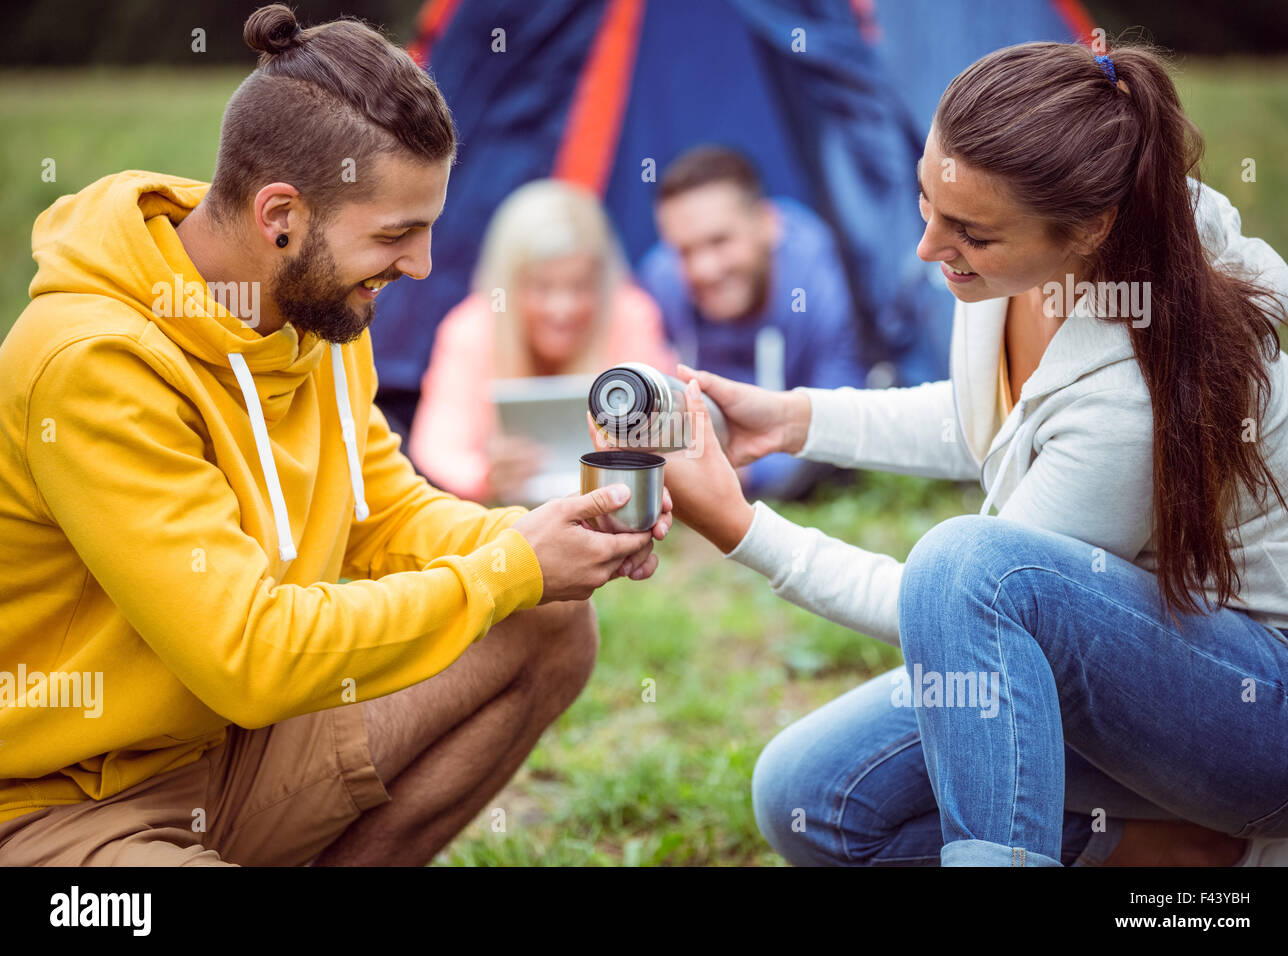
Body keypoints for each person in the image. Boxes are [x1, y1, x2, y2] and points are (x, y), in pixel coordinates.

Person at [0, 4, 672, 867]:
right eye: (396, 234)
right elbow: (248, 654)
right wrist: (509, 568)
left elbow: (387, 519)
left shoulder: (318, 319)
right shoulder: (90, 366)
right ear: (280, 215)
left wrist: (542, 542)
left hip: (237, 751)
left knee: (546, 623)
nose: (422, 266)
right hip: (59, 805)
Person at [602, 41, 1288, 866]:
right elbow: (989, 418)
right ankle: (1158, 849)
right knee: (804, 798)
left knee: (967, 565)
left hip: (1261, 717)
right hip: (1116, 662)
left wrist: (744, 529)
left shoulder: (1133, 392)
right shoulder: (1021, 267)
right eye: (927, 200)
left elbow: (963, 605)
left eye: (969, 230)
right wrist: (794, 419)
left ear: (1092, 229)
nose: (930, 247)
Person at [407, 179, 676, 504]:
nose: (561, 309)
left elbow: (669, 429)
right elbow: (438, 447)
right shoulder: (471, 329)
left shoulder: (630, 314)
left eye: (579, 286)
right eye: (541, 287)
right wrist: (485, 477)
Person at [638, 146, 866, 500]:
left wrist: (745, 470)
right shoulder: (661, 279)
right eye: (684, 251)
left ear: (768, 225)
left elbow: (841, 418)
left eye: (719, 241)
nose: (704, 270)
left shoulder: (820, 282)